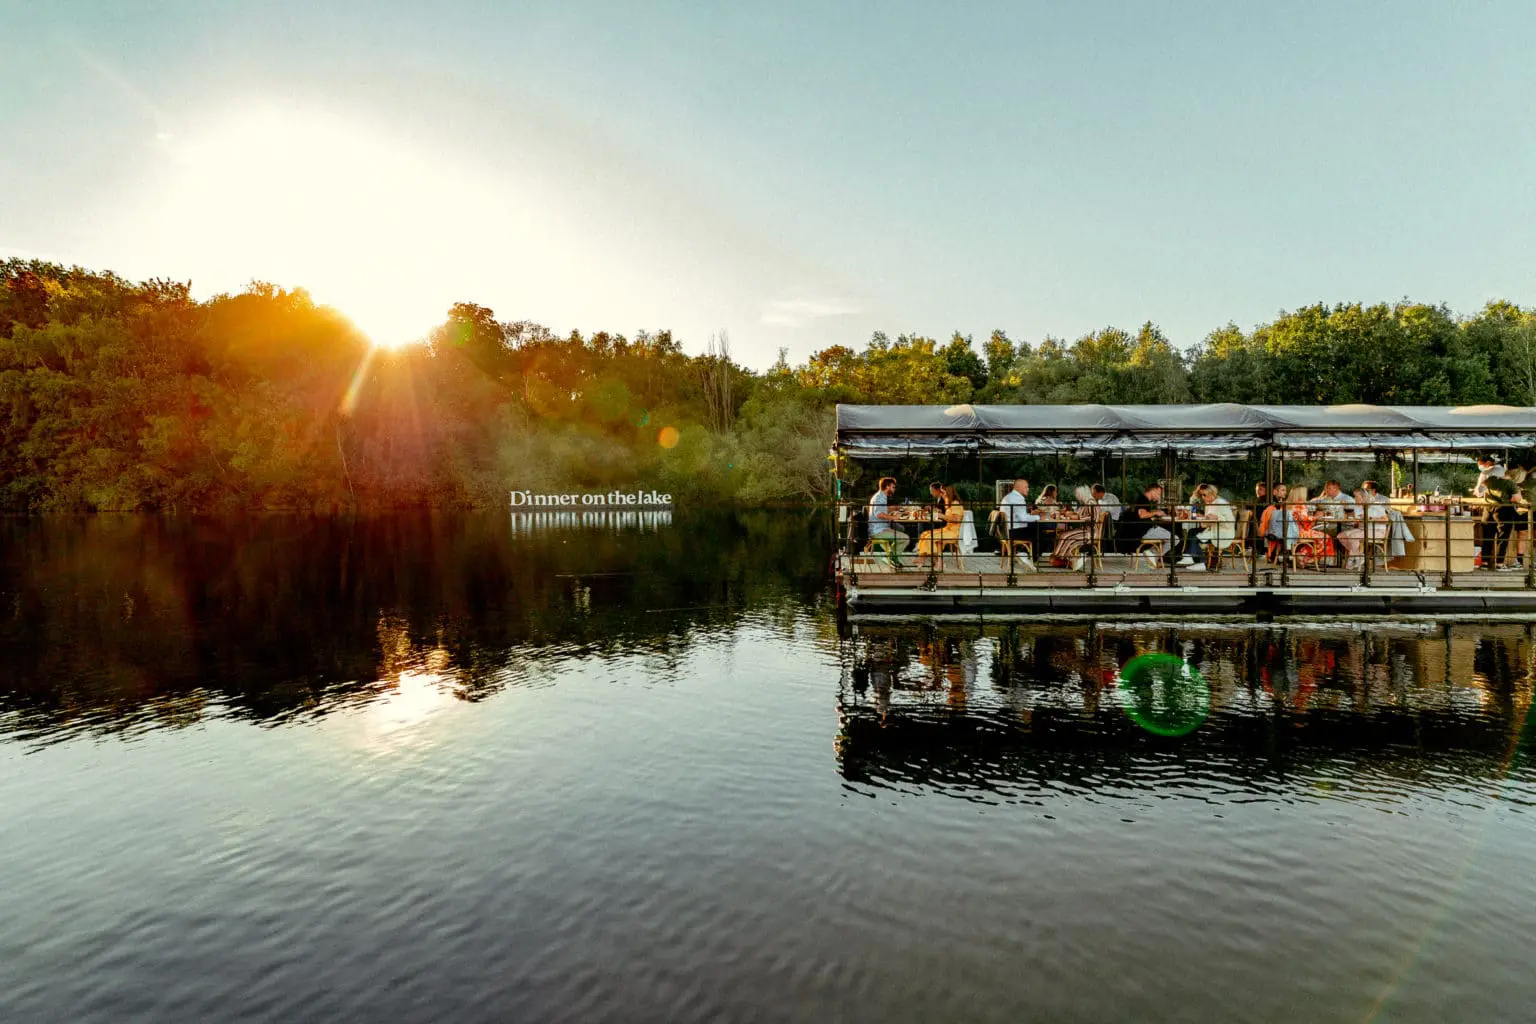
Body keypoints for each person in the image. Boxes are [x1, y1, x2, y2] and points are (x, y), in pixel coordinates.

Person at [1051, 485, 1101, 570]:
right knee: (1064, 535)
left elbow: (1094, 519)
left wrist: (1078, 517)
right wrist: (1068, 513)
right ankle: (1066, 559)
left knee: (1066, 536)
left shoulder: (1091, 503)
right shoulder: (1085, 503)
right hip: (1083, 530)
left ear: (1082, 493)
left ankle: (1061, 558)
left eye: (1077, 494)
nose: (1076, 496)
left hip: (1090, 532)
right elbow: (1078, 514)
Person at [1124, 482, 1174, 562]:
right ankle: (1152, 555)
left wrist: (1154, 512)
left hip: (1142, 530)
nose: (1159, 497)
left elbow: (1143, 513)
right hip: (1143, 532)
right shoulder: (1143, 499)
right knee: (1174, 539)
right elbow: (1142, 515)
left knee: (1170, 536)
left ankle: (1152, 556)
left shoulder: (1143, 499)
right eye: (1158, 494)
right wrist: (1156, 513)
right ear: (1153, 490)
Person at [916, 484, 966, 559]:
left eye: (942, 492)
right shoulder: (949, 503)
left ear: (948, 492)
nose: (941, 494)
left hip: (954, 533)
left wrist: (941, 515)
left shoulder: (955, 503)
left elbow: (957, 519)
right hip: (947, 529)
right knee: (924, 534)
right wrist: (939, 513)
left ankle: (936, 560)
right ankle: (923, 557)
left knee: (929, 537)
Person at [999, 478, 1039, 565]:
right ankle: (1031, 558)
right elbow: (1023, 518)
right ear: (1019, 487)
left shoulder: (1009, 496)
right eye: (1026, 487)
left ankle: (1026, 554)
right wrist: (1038, 517)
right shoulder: (1018, 499)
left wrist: (1032, 516)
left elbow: (1020, 516)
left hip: (1006, 531)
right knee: (1039, 530)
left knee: (1034, 527)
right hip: (1013, 532)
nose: (1028, 489)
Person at [1193, 484, 1234, 565]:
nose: (1203, 497)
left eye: (1204, 495)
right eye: (1201, 495)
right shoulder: (1209, 504)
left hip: (1223, 532)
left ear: (1211, 493)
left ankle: (1199, 562)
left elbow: (1229, 522)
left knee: (1194, 536)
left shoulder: (1220, 502)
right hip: (1213, 529)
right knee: (1192, 531)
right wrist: (1203, 517)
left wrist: (1216, 517)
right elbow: (1207, 523)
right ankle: (1194, 560)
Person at [867, 476, 900, 543]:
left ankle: (893, 547)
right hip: (878, 530)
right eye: (893, 487)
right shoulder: (880, 497)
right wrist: (894, 517)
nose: (894, 489)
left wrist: (895, 508)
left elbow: (882, 509)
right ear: (887, 487)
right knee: (904, 535)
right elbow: (879, 514)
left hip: (880, 527)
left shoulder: (881, 495)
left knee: (900, 527)